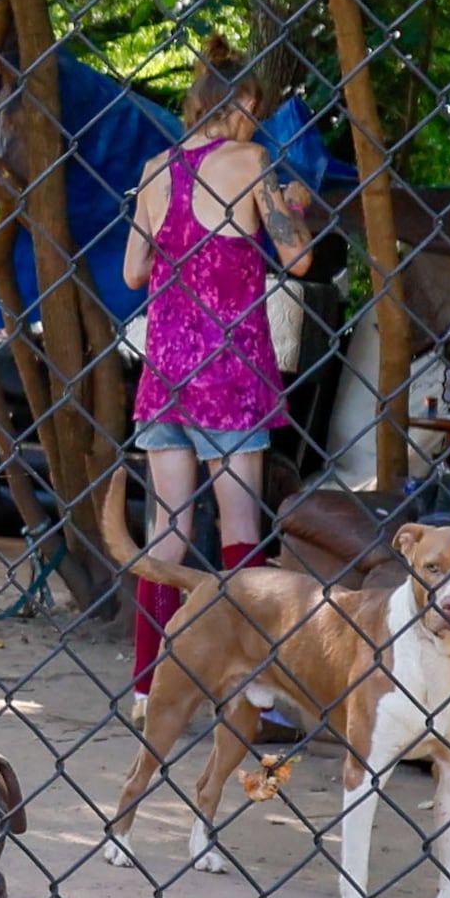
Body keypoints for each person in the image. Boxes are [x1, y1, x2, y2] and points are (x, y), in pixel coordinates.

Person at [123, 47, 316, 704]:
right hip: (229, 375)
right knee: (240, 531)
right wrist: (294, 206)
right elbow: (298, 259)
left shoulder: (155, 170)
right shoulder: (253, 161)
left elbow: (132, 272)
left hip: (164, 375)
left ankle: (146, 686)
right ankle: (253, 685)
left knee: (169, 531)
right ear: (246, 102)